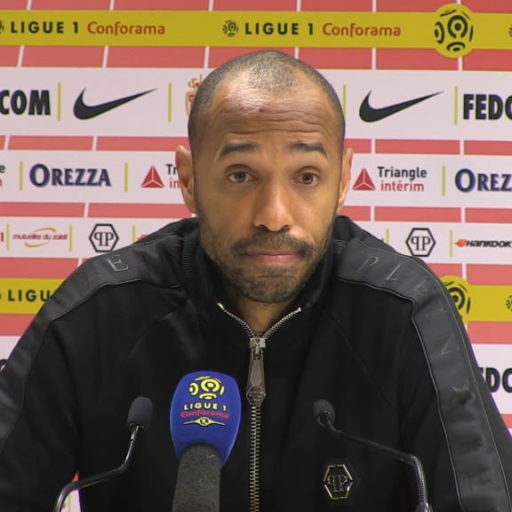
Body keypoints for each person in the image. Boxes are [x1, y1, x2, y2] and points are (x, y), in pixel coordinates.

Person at [0, 50, 511, 512]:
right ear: (188, 178)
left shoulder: (403, 310)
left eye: (306, 177)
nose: (273, 215)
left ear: (343, 180)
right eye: (241, 175)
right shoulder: (99, 314)